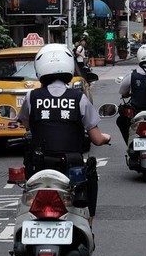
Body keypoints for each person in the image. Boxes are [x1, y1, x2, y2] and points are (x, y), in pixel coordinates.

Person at [17, 43, 111, 220]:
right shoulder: (79, 98)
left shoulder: (31, 97)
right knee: (89, 180)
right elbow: (97, 139)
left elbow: (26, 125)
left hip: (38, 166)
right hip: (71, 165)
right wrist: (107, 137)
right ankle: (89, 223)